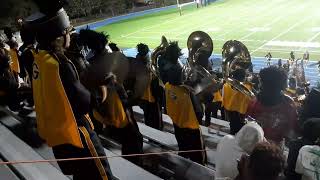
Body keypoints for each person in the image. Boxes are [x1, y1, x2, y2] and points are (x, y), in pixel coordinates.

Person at [28, 4, 113, 179]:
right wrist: (103, 87)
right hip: (77, 133)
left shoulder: (40, 60)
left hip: (60, 140)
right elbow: (85, 103)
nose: (69, 35)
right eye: (67, 31)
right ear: (59, 36)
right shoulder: (61, 64)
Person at [165, 58, 206, 165]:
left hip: (177, 124)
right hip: (192, 129)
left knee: (183, 149)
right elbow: (199, 113)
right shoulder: (187, 93)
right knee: (198, 158)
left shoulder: (167, 86)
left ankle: (182, 167)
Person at [246, 66, 298, 145]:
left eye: (262, 83)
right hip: (257, 147)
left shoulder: (289, 105)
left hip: (272, 149)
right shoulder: (289, 105)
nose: (259, 86)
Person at [137, 43, 163, 130]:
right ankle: (157, 141)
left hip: (143, 98)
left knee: (147, 118)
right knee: (156, 123)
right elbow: (156, 84)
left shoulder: (136, 64)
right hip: (151, 99)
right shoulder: (149, 68)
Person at [222, 68, 252, 135]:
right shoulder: (248, 87)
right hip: (241, 113)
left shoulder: (225, 85)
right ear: (243, 78)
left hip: (229, 110)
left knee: (232, 125)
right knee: (240, 129)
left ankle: (232, 136)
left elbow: (223, 98)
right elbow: (250, 100)